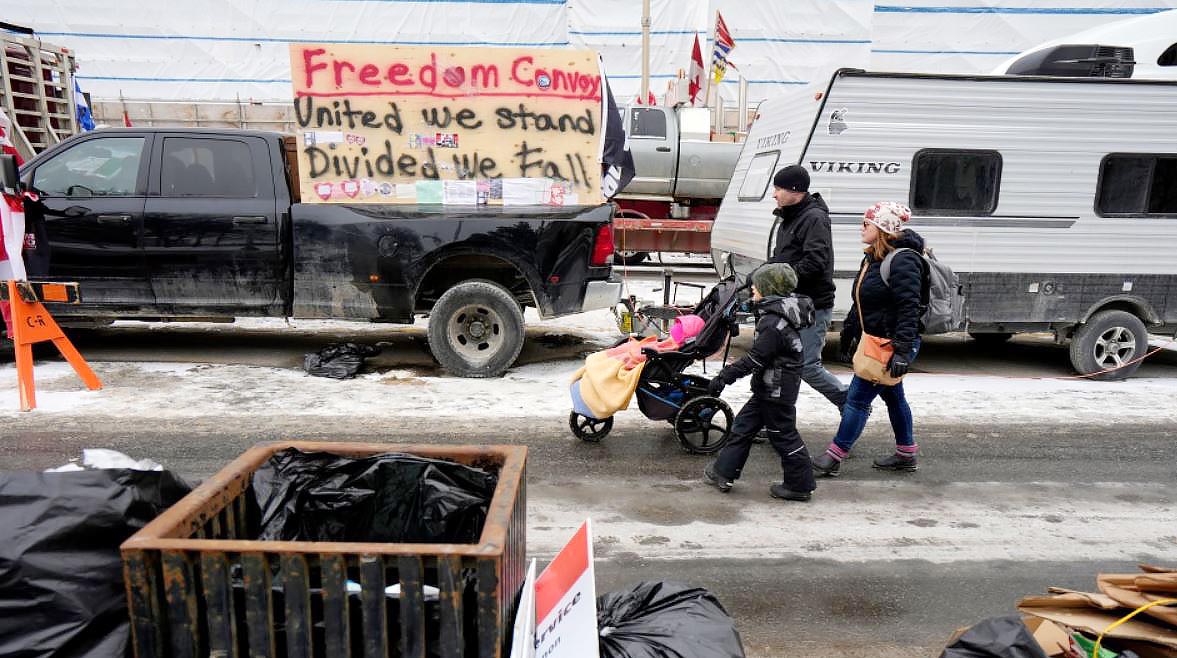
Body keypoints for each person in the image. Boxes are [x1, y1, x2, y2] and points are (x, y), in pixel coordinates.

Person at [812, 201, 925, 477]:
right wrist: (850, 332)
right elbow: (862, 300)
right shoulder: (874, 257)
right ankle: (906, 453)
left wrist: (901, 351)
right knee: (894, 397)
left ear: (883, 228)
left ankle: (834, 456)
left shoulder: (904, 260)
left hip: (890, 344)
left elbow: (910, 308)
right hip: (875, 339)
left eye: (866, 224)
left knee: (857, 399)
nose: (861, 228)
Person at [702, 262, 816, 502]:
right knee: (742, 428)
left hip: (777, 390)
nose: (753, 289)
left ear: (770, 289)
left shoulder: (774, 324)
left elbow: (755, 358)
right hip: (770, 387)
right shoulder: (774, 314)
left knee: (783, 435)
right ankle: (723, 472)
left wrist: (724, 376)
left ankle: (799, 484)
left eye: (757, 286)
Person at [767, 164, 847, 412]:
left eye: (778, 188)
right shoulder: (790, 217)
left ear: (795, 190)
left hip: (811, 305)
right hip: (790, 303)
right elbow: (783, 257)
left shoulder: (814, 219)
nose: (774, 194)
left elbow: (815, 262)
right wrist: (762, 274)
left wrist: (779, 277)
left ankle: (849, 402)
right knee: (779, 363)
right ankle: (774, 417)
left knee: (807, 366)